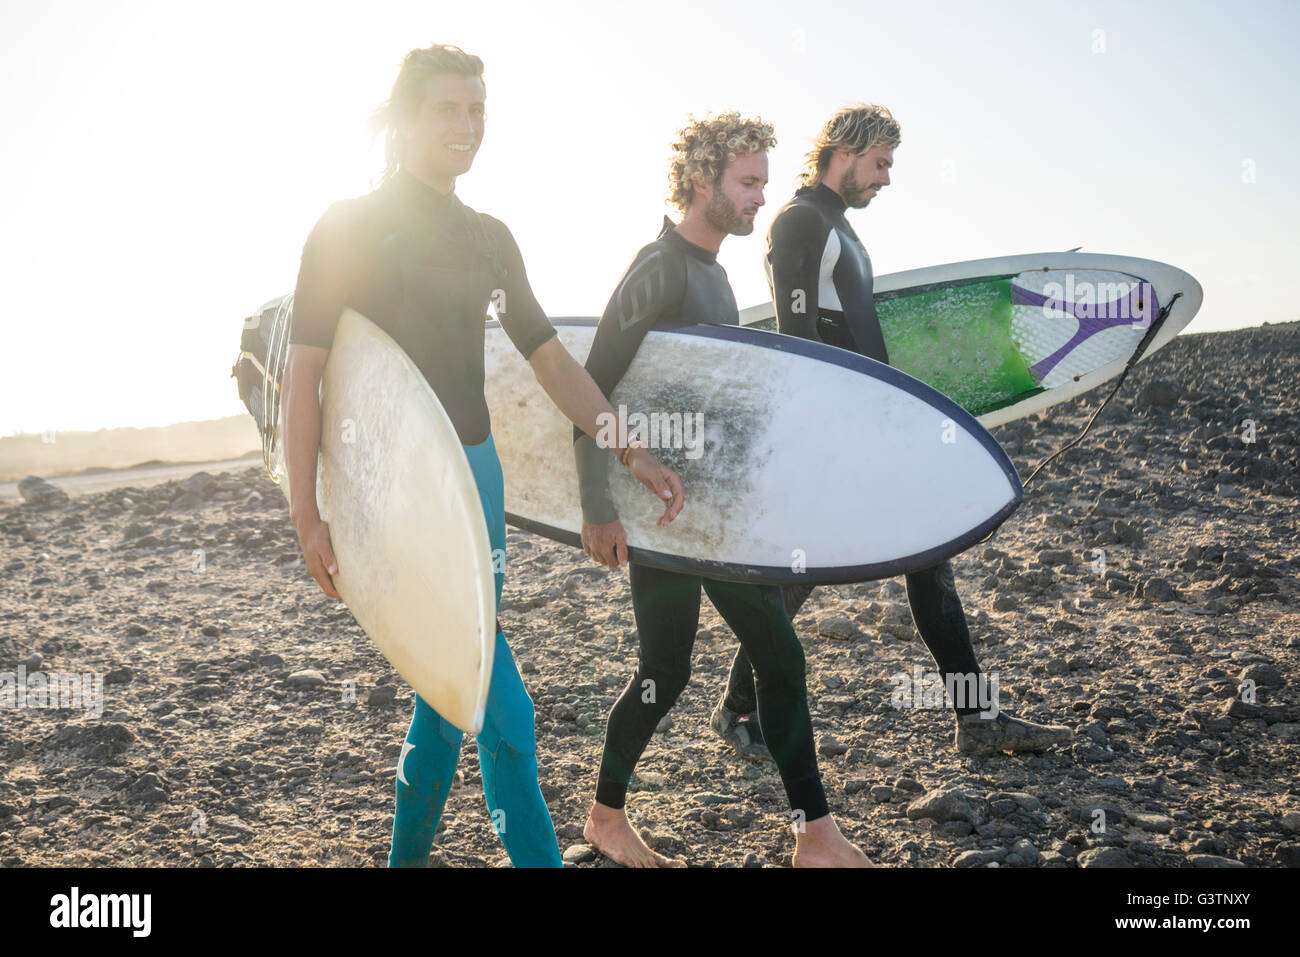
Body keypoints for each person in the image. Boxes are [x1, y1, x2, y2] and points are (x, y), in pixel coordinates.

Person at [282, 44, 684, 868]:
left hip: (473, 477)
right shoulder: (346, 228)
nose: (467, 127)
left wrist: (629, 448)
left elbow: (551, 362)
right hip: (390, 487)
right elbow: (306, 373)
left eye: (478, 112)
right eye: (447, 110)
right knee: (501, 710)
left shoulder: (489, 238)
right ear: (404, 118)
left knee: (446, 687)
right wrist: (306, 509)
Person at [711, 104, 1074, 759]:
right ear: (844, 151)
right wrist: (836, 432)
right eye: (880, 163)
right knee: (804, 571)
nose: (885, 178)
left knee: (919, 560)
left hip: (869, 424)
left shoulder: (840, 230)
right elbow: (800, 341)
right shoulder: (799, 222)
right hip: (836, 428)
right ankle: (737, 709)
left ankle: (975, 719)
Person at [576, 112, 873, 868]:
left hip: (708, 513)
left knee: (677, 669)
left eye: (764, 184)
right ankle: (814, 833)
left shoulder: (714, 273)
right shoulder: (660, 267)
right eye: (747, 183)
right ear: (702, 181)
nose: (758, 199)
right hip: (665, 515)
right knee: (756, 657)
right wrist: (599, 505)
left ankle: (613, 816)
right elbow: (590, 393)